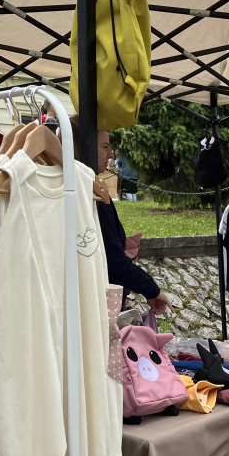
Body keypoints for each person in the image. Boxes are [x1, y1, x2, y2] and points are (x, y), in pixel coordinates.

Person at [70, 116, 171, 314]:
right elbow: (113, 261)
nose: (110, 154)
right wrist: (151, 290)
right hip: (96, 305)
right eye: (104, 146)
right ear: (83, 147)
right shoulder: (93, 195)